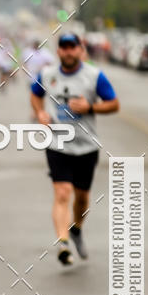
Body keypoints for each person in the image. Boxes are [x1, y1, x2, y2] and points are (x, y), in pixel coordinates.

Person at [30, 32, 119, 266]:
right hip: (57, 144)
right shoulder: (47, 75)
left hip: (86, 146)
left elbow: (114, 104)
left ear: (80, 50)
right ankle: (63, 243)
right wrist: (40, 112)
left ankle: (76, 228)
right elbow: (35, 94)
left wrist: (90, 107)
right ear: (58, 51)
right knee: (62, 193)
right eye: (64, 47)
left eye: (73, 47)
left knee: (81, 197)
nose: (68, 51)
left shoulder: (94, 76)